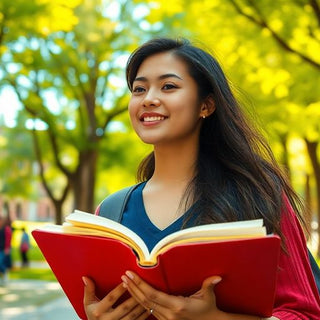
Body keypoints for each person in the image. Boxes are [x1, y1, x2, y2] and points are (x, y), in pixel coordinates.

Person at [82, 38, 320, 319]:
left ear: (205, 105)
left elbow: (305, 313)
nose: (148, 99)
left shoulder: (258, 194)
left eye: (168, 86)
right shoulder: (110, 213)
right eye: (139, 89)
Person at [0, 215, 11, 285]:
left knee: (0, 263)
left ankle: (5, 273)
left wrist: (7, 248)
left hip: (3, 249)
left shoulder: (6, 228)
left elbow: (8, 239)